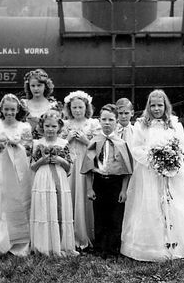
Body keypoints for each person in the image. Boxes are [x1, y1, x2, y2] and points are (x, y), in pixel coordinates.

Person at [121, 90, 184, 261]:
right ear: (148, 106)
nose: (156, 109)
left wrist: (172, 159)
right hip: (149, 173)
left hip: (173, 173)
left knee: (178, 205)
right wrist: (154, 161)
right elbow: (136, 148)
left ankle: (181, 246)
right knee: (150, 207)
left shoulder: (174, 124)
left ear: (165, 106)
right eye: (153, 105)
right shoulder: (141, 125)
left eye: (160, 105)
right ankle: (152, 249)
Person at [81, 104, 133, 258]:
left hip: (116, 183)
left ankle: (113, 249)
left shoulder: (122, 143)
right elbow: (88, 168)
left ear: (116, 121)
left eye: (111, 119)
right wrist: (90, 188)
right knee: (100, 216)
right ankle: (100, 248)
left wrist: (124, 190)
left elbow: (127, 170)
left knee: (115, 217)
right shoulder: (94, 142)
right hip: (99, 182)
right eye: (104, 119)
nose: (107, 123)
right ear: (99, 121)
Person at [0, 94, 32, 258]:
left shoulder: (24, 127)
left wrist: (17, 144)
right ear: (1, 109)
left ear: (18, 110)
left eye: (13, 109)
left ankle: (21, 241)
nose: (10, 112)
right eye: (7, 109)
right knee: (3, 200)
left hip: (20, 169)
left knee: (20, 199)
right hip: (3, 168)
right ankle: (2, 240)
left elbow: (29, 151)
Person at [30, 110, 78, 256]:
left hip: (59, 177)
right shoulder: (37, 143)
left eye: (53, 126)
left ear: (59, 127)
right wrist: (42, 160)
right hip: (43, 178)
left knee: (58, 206)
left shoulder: (64, 143)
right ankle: (44, 244)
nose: (50, 129)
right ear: (42, 127)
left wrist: (60, 160)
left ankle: (60, 244)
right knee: (44, 206)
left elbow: (69, 168)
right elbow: (32, 167)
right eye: (47, 126)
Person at [60, 90, 101, 249]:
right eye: (74, 108)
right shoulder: (65, 124)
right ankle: (70, 236)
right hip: (70, 163)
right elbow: (58, 145)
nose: (77, 110)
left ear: (86, 108)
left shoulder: (93, 124)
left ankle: (86, 234)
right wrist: (68, 139)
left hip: (86, 163)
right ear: (69, 109)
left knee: (85, 195)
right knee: (70, 193)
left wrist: (86, 140)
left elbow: (98, 148)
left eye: (80, 107)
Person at [21, 69, 57, 138]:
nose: (36, 88)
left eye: (39, 85)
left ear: (45, 86)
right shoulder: (23, 105)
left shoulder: (52, 105)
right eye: (33, 86)